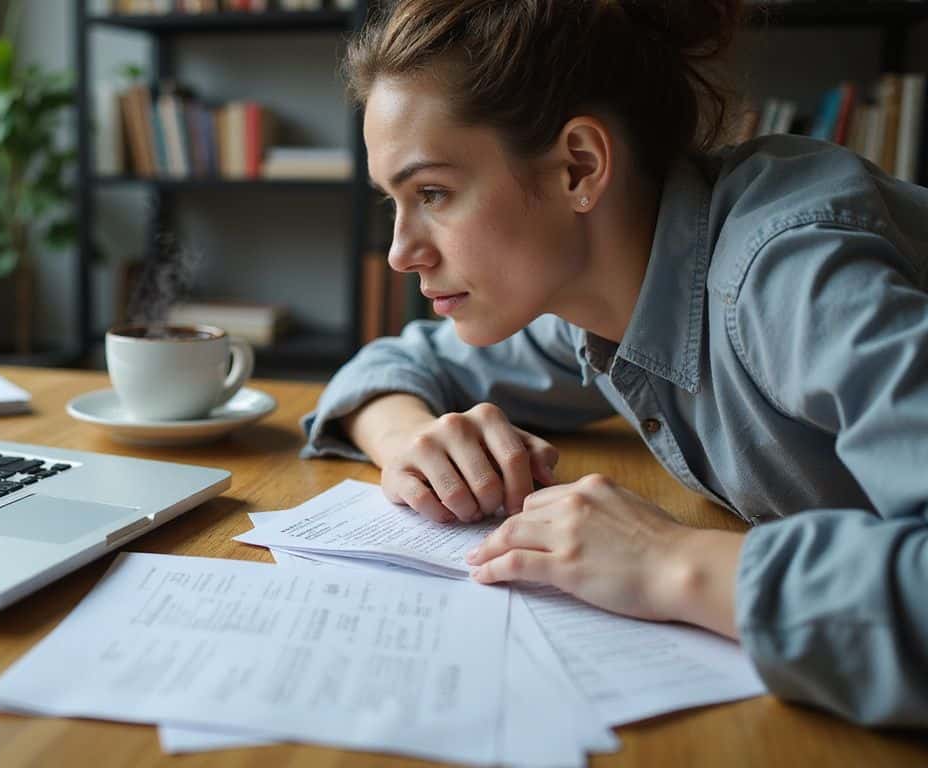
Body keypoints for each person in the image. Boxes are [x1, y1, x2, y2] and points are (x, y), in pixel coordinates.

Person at [303, 0, 928, 727]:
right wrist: (413, 440)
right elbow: (395, 365)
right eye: (394, 203)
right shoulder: (591, 304)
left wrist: (667, 563)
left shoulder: (795, 278)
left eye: (432, 193)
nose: (400, 252)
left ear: (579, 167)